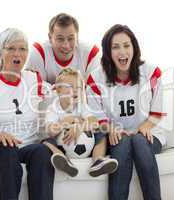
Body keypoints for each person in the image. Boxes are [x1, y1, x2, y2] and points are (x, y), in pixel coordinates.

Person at [0, 28, 57, 200]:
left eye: (23, 49)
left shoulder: (34, 80)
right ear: (0, 52)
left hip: (28, 146)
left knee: (42, 151)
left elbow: (61, 99)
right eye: (11, 48)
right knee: (7, 149)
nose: (17, 54)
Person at [87, 24, 166, 200]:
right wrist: (110, 128)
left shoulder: (151, 72)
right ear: (108, 51)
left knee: (138, 140)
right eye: (115, 47)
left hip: (148, 135)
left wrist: (145, 126)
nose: (122, 51)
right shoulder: (96, 78)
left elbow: (157, 112)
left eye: (126, 45)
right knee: (123, 143)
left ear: (134, 47)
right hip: (116, 136)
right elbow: (96, 115)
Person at [45, 68, 118, 177]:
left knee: (101, 135)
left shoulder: (81, 106)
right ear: (58, 90)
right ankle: (64, 161)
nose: (75, 90)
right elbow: (50, 131)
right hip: (63, 146)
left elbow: (94, 122)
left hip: (87, 146)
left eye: (78, 88)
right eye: (70, 86)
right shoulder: (53, 109)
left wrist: (79, 127)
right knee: (46, 143)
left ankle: (98, 161)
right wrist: (64, 123)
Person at [25, 12, 100, 84]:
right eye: (60, 39)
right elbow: (33, 89)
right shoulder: (39, 52)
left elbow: (95, 91)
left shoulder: (91, 53)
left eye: (70, 39)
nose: (66, 45)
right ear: (50, 38)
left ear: (77, 38)